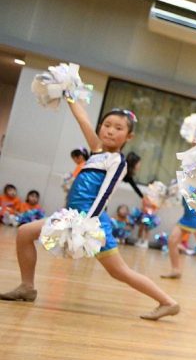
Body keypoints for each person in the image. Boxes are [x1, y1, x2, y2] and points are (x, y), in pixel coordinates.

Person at [0, 104, 179, 320]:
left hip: (90, 222)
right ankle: (27, 287)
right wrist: (70, 94)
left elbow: (104, 195)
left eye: (118, 128)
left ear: (129, 136)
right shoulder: (96, 151)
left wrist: (85, 223)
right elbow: (83, 119)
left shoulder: (117, 161)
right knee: (25, 232)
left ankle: (168, 302)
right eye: (107, 125)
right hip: (71, 215)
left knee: (119, 271)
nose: (110, 131)